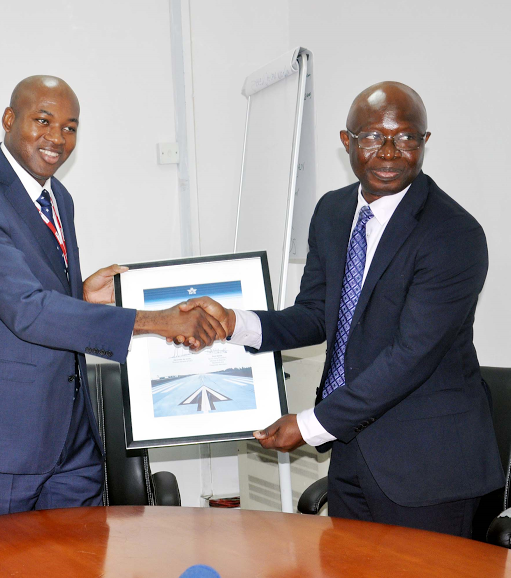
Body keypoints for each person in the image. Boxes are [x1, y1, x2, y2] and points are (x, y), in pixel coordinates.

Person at [187, 81, 503, 536]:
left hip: (429, 468)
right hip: (353, 451)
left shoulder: (453, 234)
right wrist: (234, 324)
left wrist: (311, 425)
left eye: (407, 137)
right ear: (347, 142)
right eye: (373, 137)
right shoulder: (334, 212)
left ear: (424, 142)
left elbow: (410, 356)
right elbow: (317, 312)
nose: (390, 152)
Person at [0, 75, 227, 520]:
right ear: (9, 119)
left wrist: (80, 293)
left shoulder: (59, 198)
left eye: (70, 127)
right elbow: (27, 310)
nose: (57, 138)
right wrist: (157, 321)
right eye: (43, 120)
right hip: (7, 438)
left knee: (80, 561)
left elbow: (40, 291)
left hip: (73, 437)